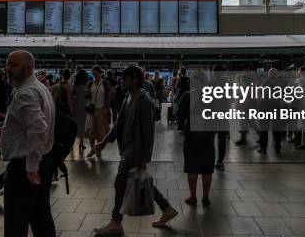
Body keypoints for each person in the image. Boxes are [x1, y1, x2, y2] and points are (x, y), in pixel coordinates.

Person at [91, 66, 178, 235]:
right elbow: (118, 124)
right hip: (127, 148)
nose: (122, 81)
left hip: (135, 150)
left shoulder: (144, 101)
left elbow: (148, 131)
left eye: (125, 79)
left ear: (134, 79)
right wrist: (103, 142)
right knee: (139, 181)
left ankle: (116, 222)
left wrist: (146, 156)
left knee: (120, 182)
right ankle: (167, 208)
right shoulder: (128, 97)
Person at [1, 50, 56, 236]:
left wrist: (31, 168)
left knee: (16, 224)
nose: (8, 69)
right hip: (42, 161)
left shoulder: (26, 93)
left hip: (24, 169)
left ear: (29, 68)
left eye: (13, 65)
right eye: (8, 64)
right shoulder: (41, 88)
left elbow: (39, 129)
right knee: (41, 219)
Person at [177, 70, 215, 206]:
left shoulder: (187, 96)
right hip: (208, 137)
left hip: (192, 136)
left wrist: (182, 128)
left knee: (192, 167)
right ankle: (205, 197)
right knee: (207, 168)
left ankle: (193, 197)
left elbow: (179, 115)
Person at [83, 65, 111, 158]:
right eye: (93, 74)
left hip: (101, 110)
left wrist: (106, 108)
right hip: (91, 110)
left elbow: (108, 96)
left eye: (95, 73)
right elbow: (86, 97)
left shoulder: (105, 83)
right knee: (91, 131)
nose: (94, 75)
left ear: (100, 73)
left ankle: (97, 150)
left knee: (100, 132)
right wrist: (86, 94)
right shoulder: (90, 83)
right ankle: (92, 149)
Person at [72, 69, 89, 152]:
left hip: (76, 105)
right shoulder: (87, 85)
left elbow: (72, 94)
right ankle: (81, 143)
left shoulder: (75, 85)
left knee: (75, 124)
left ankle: (72, 142)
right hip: (84, 106)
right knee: (83, 124)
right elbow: (89, 96)